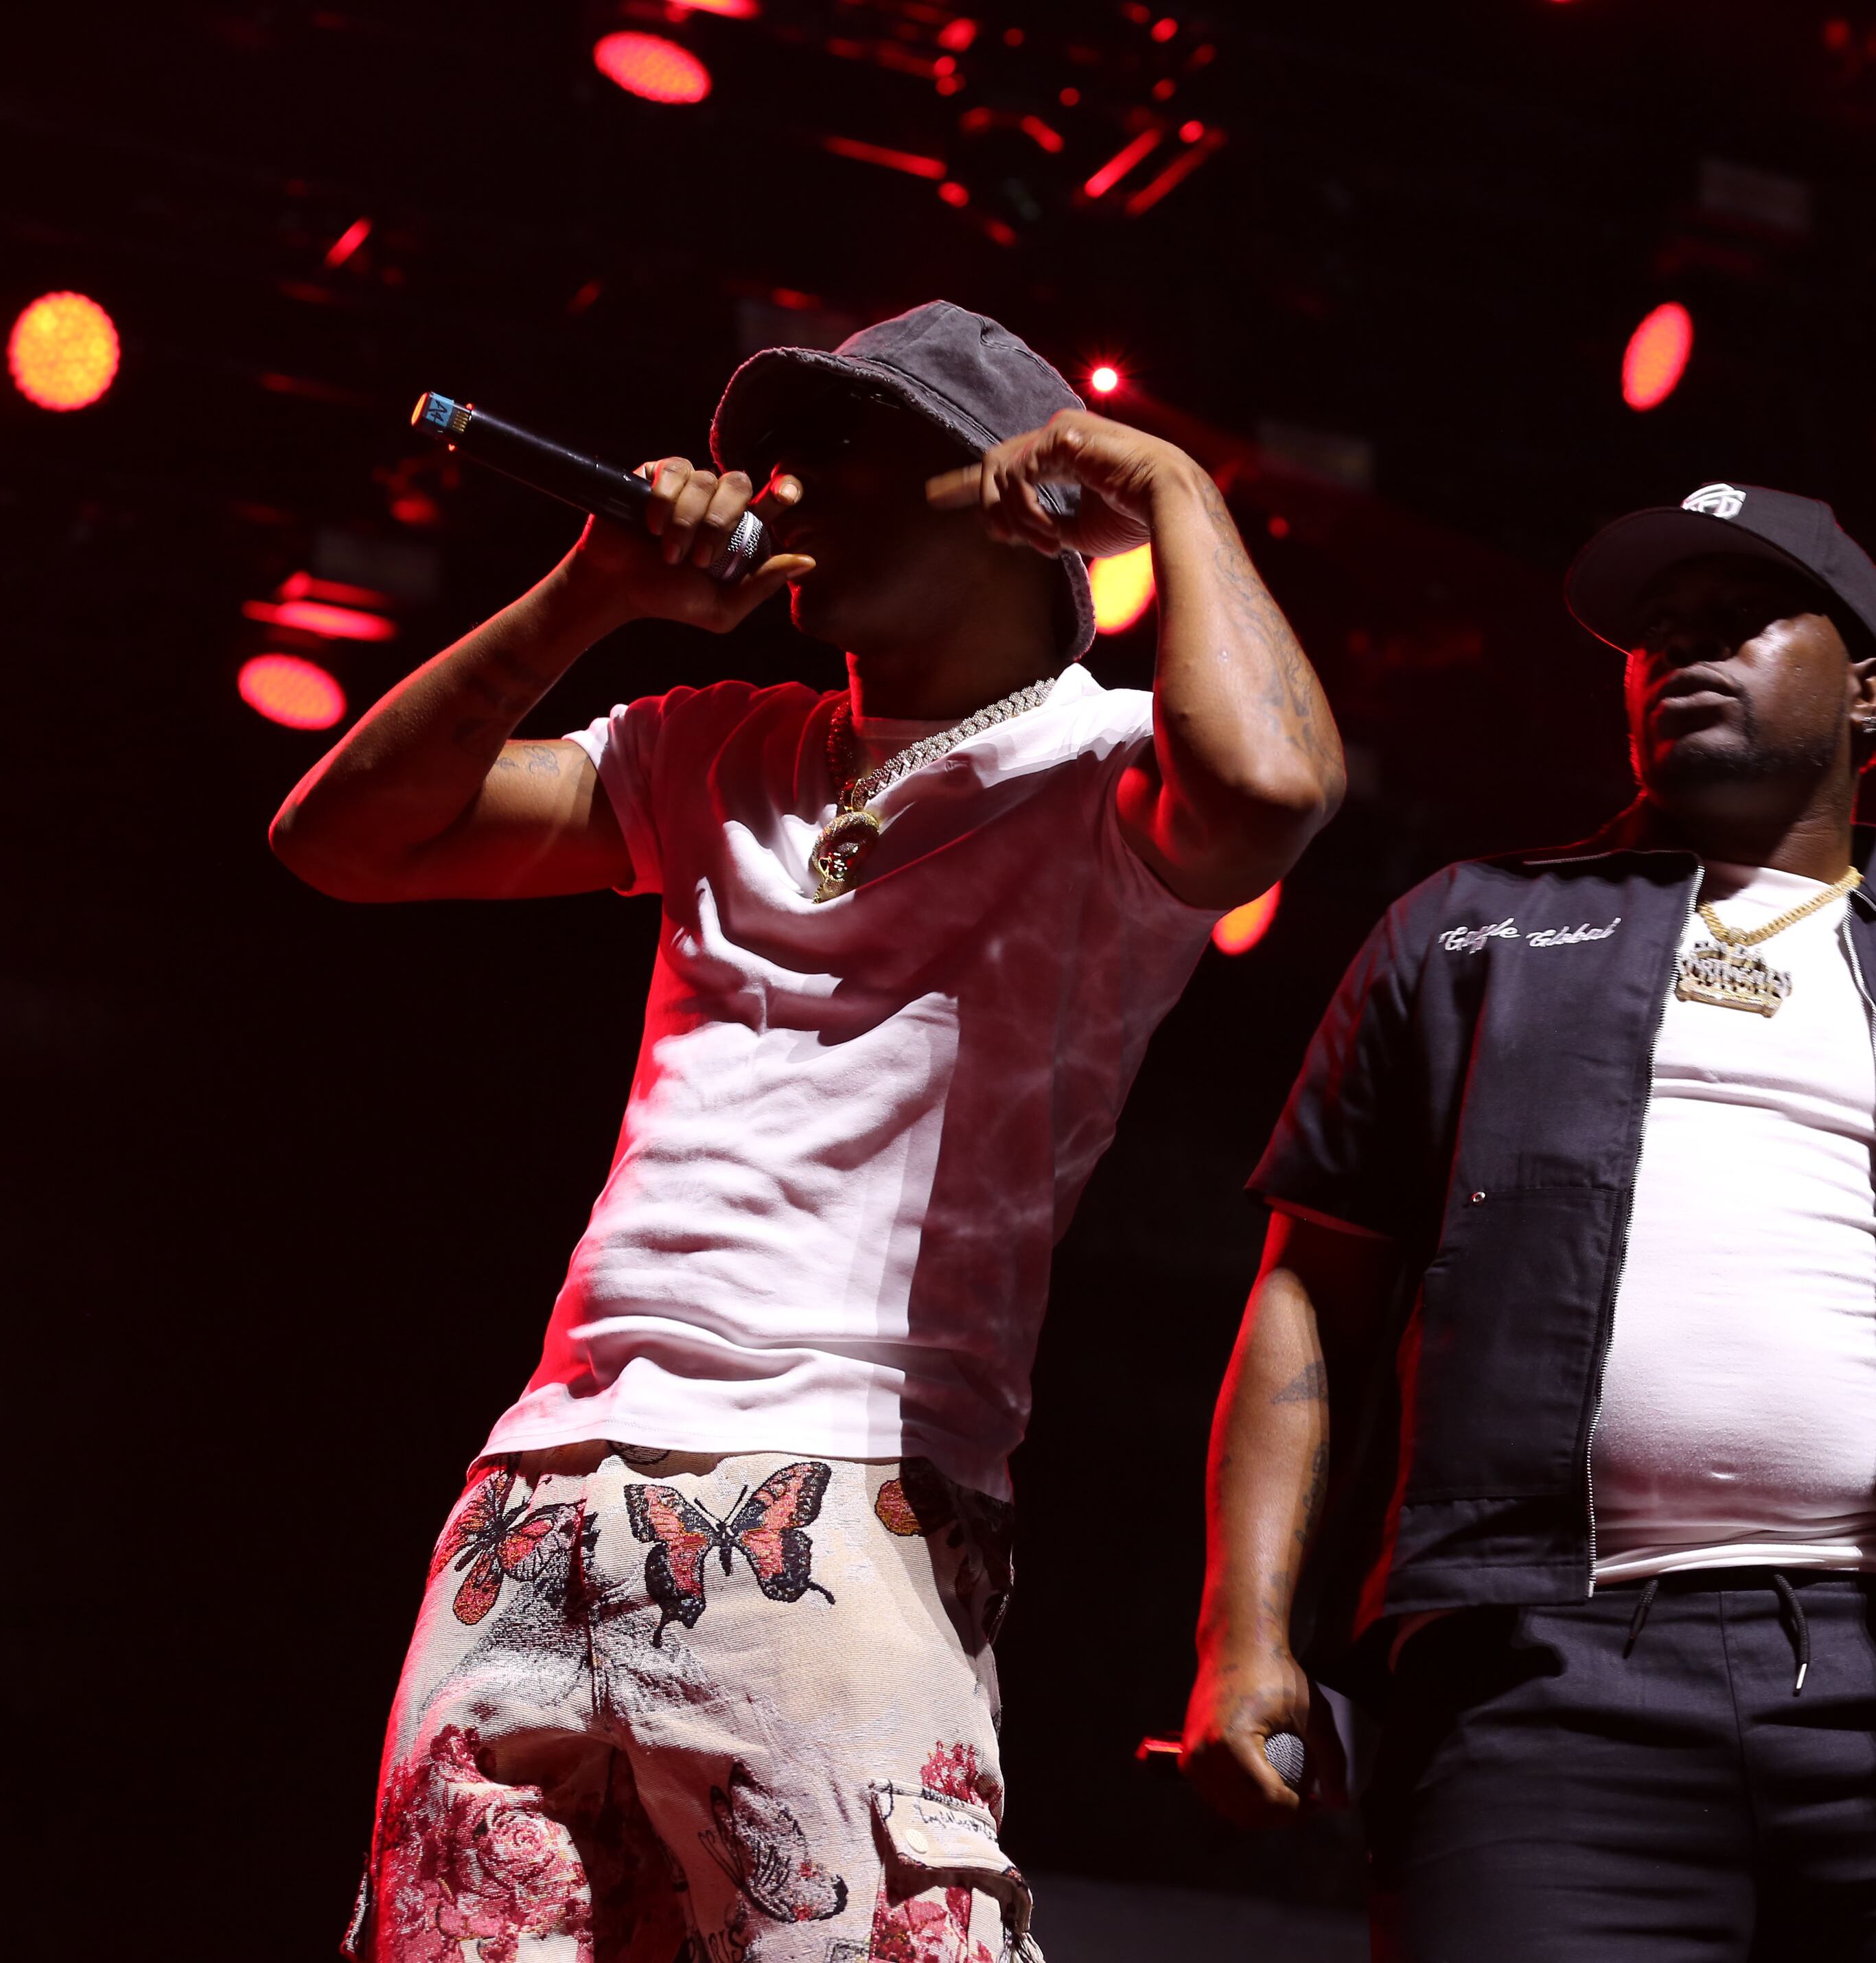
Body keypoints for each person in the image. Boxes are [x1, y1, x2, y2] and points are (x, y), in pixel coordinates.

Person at [274, 301, 1343, 1963]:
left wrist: (1180, 493)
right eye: (782, 453)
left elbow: (1275, 793)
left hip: (837, 1485)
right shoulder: (715, 744)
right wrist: (590, 595)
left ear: (1013, 506)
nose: (782, 486)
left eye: (847, 451)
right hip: (543, 1483)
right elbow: (342, 839)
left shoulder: (1109, 765)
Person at [1180, 482, 1876, 1960]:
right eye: (1656, 631)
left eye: (1736, 620)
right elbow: (1309, 1306)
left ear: (1869, 692)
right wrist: (1242, 1636)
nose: (1682, 652)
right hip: (1546, 1692)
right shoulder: (1470, 932)